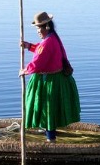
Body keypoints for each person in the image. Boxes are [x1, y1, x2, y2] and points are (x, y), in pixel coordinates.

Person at [21, 11, 81, 141]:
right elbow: (41, 50)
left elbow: (38, 62)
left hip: (50, 82)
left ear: (46, 27)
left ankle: (50, 139)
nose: (37, 31)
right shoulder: (53, 38)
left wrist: (25, 70)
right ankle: (49, 134)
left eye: (39, 28)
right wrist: (29, 46)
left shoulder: (48, 42)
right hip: (57, 79)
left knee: (48, 109)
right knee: (50, 109)